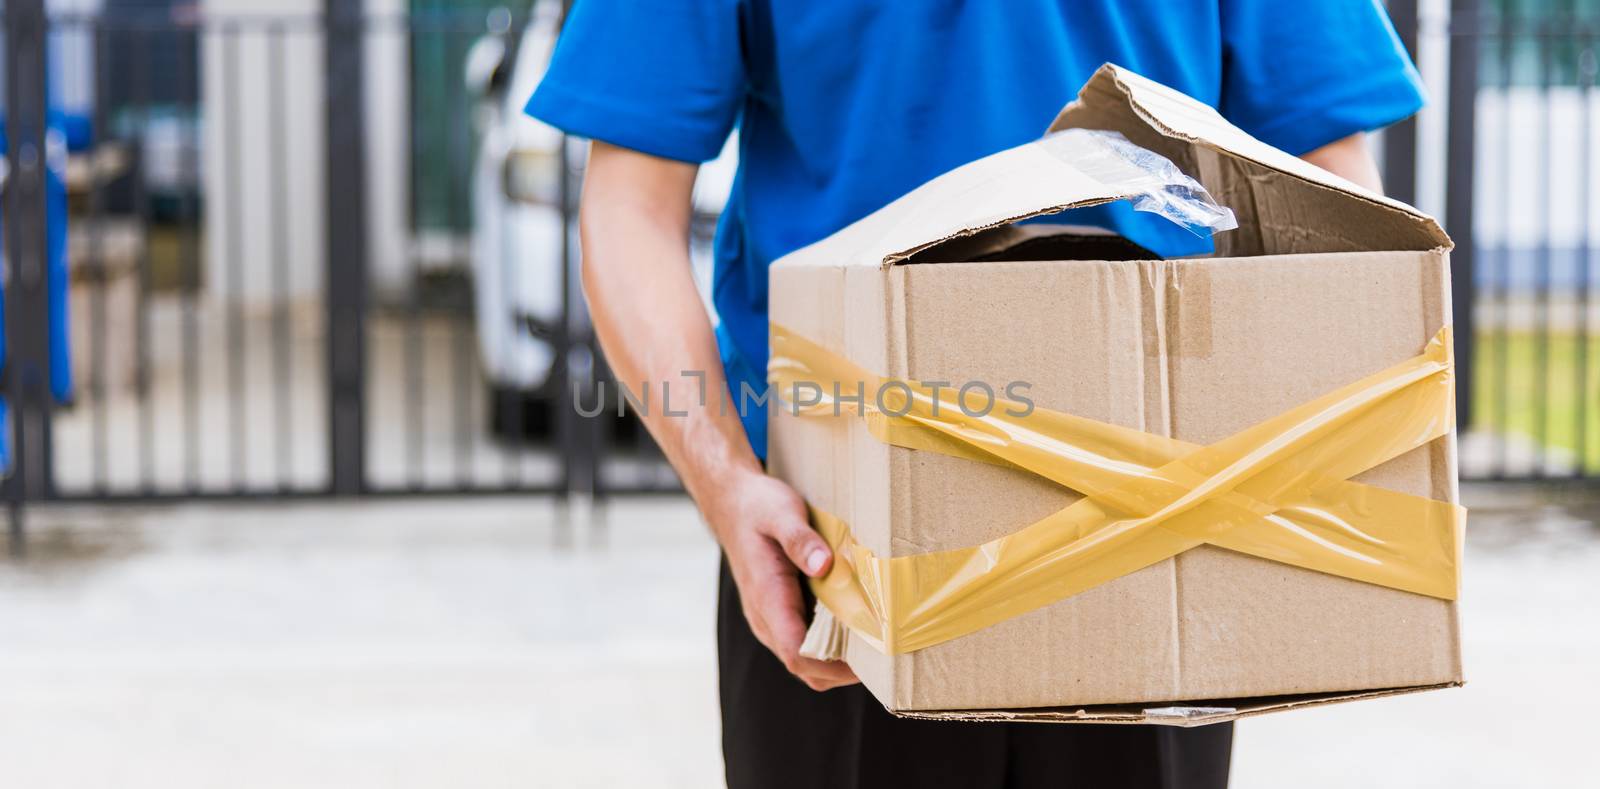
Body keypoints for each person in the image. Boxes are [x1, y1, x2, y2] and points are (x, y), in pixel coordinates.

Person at [526, 1, 1424, 786]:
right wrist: (727, 488)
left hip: (1160, 524)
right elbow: (631, 200)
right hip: (833, 541)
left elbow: (1326, 173)